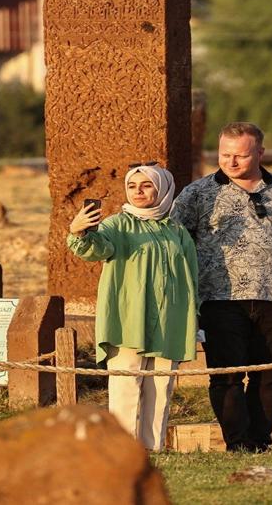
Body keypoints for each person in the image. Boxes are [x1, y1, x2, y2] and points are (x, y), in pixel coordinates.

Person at [171, 122, 272, 452]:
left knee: (269, 375)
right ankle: (237, 442)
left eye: (241, 155)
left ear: (260, 153)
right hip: (220, 299)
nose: (231, 162)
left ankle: (259, 440)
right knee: (227, 376)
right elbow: (178, 239)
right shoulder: (198, 193)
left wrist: (266, 264)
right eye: (225, 155)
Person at [66, 162, 198, 451]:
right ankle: (122, 452)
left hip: (170, 320)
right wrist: (79, 233)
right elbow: (97, 248)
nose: (138, 192)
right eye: (132, 186)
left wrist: (195, 318)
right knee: (125, 388)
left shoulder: (176, 230)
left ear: (162, 188)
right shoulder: (117, 224)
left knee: (161, 390)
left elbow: (192, 276)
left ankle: (153, 450)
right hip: (128, 319)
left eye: (146, 185)